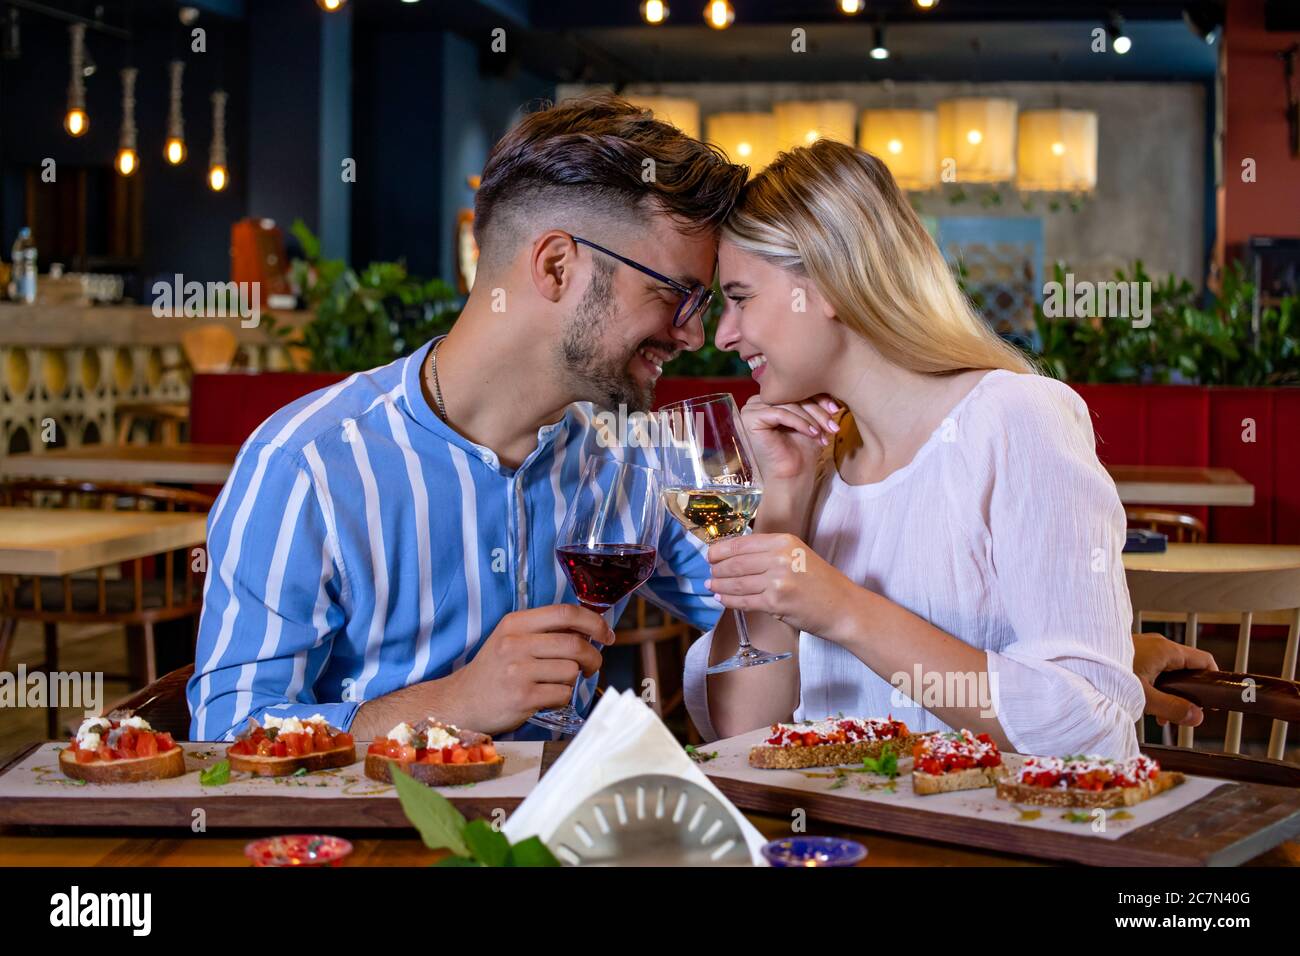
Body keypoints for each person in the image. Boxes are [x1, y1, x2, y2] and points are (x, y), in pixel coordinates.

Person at [187, 94, 747, 741]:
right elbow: (226, 737)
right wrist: (454, 704)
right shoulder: (309, 465)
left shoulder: (635, 460)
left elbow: (765, 628)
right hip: (371, 838)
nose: (695, 335)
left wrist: (786, 491)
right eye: (678, 295)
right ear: (557, 266)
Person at [685, 139, 1217, 760]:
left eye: (741, 296)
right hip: (846, 844)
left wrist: (841, 609)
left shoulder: (1017, 419)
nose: (723, 333)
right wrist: (785, 500)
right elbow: (744, 728)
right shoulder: (814, 463)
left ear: (828, 282)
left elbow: (1084, 719)